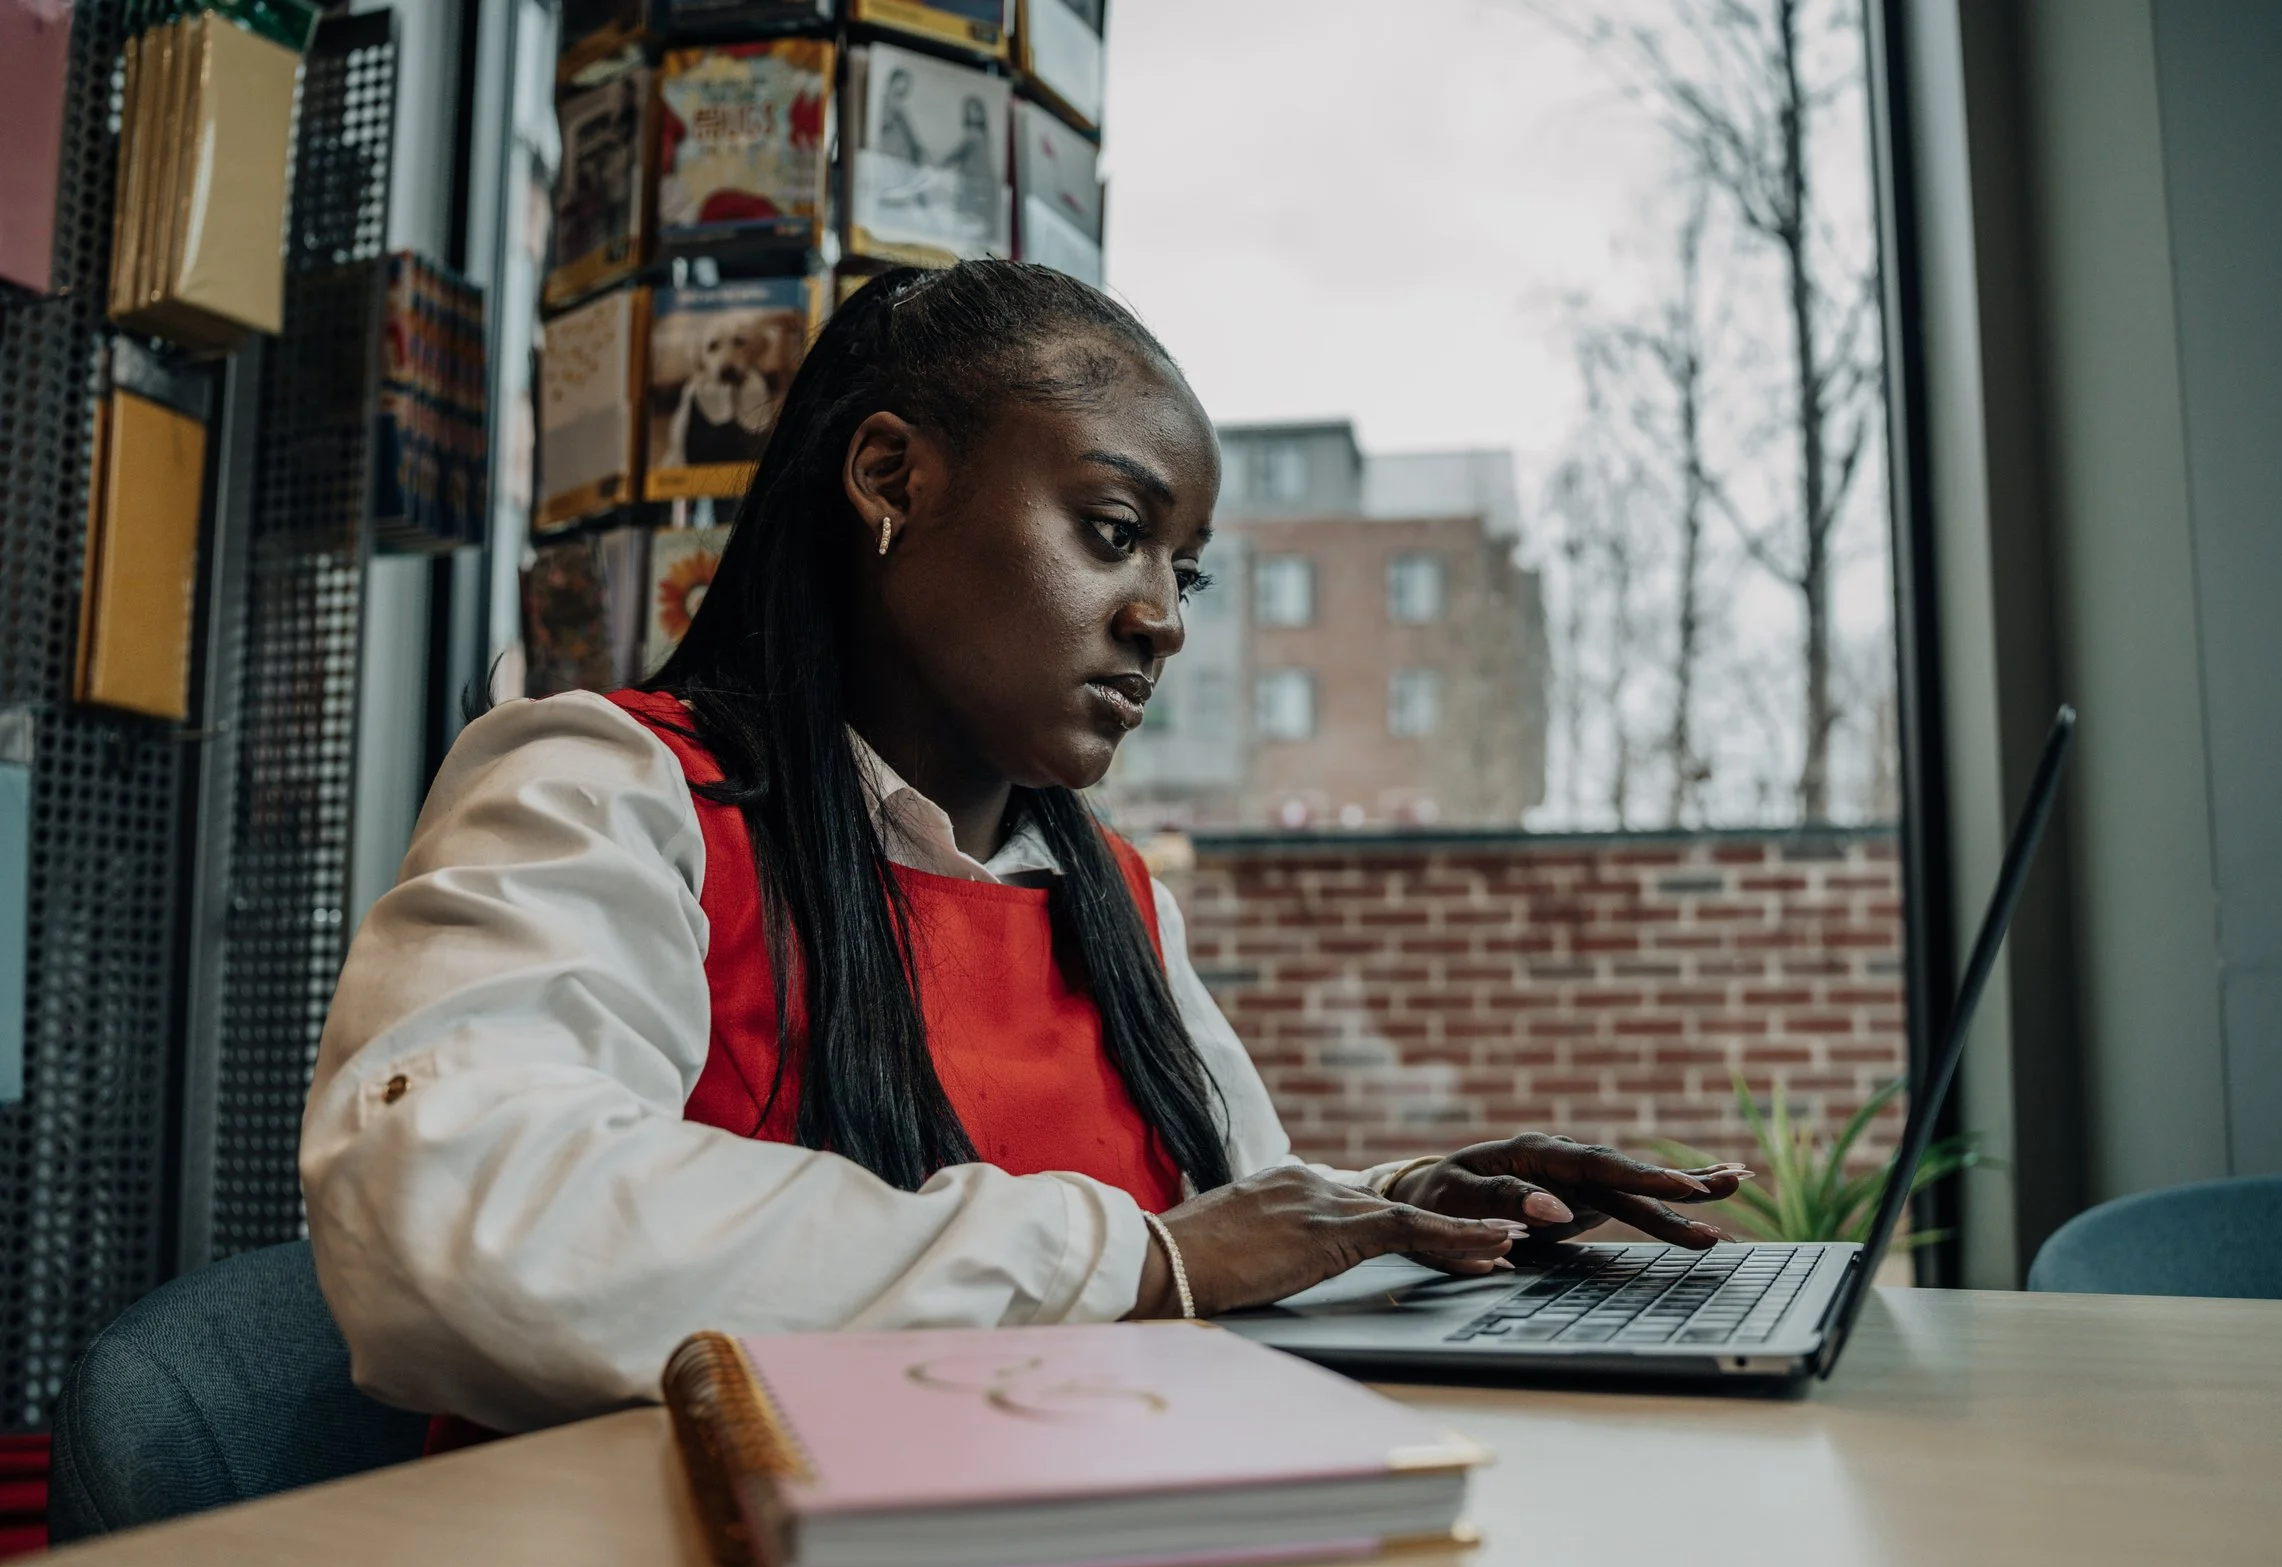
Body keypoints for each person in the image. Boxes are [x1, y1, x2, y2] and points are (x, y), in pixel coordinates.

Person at [300, 262, 1747, 1435]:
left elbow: (1219, 1229)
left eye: (1184, 572)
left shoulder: (1106, 894)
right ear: (890, 479)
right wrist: (1144, 1260)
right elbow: (461, 1214)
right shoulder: (612, 789)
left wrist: (1389, 1210)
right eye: (1113, 531)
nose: (1165, 618)